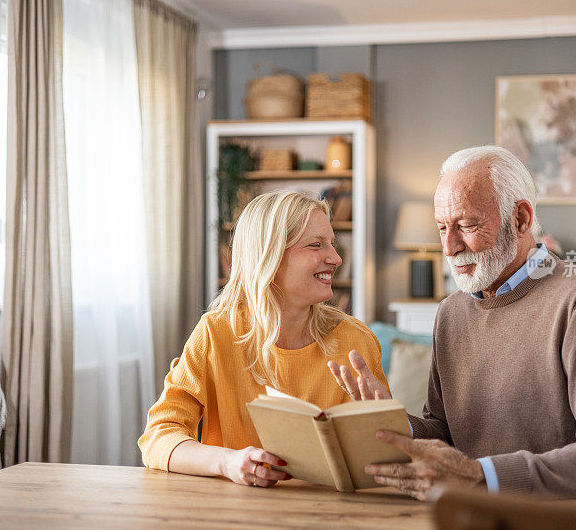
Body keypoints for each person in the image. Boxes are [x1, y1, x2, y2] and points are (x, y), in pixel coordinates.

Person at [329, 146, 576, 500]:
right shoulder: (451, 313)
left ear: (521, 219)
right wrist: (394, 423)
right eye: (442, 227)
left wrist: (482, 477)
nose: (449, 248)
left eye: (465, 225)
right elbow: (446, 434)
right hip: (464, 516)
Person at [139, 190, 389, 487]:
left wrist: (384, 428)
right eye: (316, 245)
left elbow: (383, 460)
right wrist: (228, 463)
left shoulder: (356, 342)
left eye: (332, 244)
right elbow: (158, 437)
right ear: (268, 255)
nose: (335, 258)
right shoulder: (216, 333)